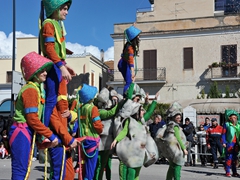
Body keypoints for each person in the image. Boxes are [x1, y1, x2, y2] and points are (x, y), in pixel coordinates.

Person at [40, 1, 80, 179]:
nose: (66, 12)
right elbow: (49, 49)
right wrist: (60, 67)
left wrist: (65, 66)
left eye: (67, 9)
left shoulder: (57, 24)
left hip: (58, 66)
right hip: (53, 66)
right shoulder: (48, 24)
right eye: (64, 8)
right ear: (55, 9)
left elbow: (58, 50)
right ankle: (44, 134)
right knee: (50, 101)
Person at [8, 52, 59, 179]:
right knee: (20, 171)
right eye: (42, 71)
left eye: (45, 70)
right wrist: (50, 135)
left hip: (25, 131)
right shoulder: (30, 90)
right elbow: (32, 119)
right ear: (34, 72)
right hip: (21, 131)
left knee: (23, 171)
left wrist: (43, 143)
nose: (46, 73)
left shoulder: (35, 89)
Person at [78, 84, 104, 180]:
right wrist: (101, 128)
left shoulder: (81, 109)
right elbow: (97, 125)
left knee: (83, 164)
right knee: (91, 166)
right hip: (92, 140)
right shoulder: (93, 108)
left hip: (83, 140)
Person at [118, 25, 141, 94]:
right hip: (124, 64)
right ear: (134, 38)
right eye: (138, 36)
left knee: (128, 81)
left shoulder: (129, 45)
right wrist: (133, 71)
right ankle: (126, 97)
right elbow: (131, 60)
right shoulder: (130, 48)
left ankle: (127, 95)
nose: (139, 37)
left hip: (123, 63)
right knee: (129, 81)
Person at [222, 110, 240, 177]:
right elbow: (223, 134)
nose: (234, 119)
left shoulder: (238, 125)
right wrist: (224, 142)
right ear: (230, 118)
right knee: (229, 158)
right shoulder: (227, 124)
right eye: (233, 117)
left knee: (235, 159)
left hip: (236, 144)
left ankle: (234, 172)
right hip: (230, 143)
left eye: (235, 117)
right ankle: (227, 171)